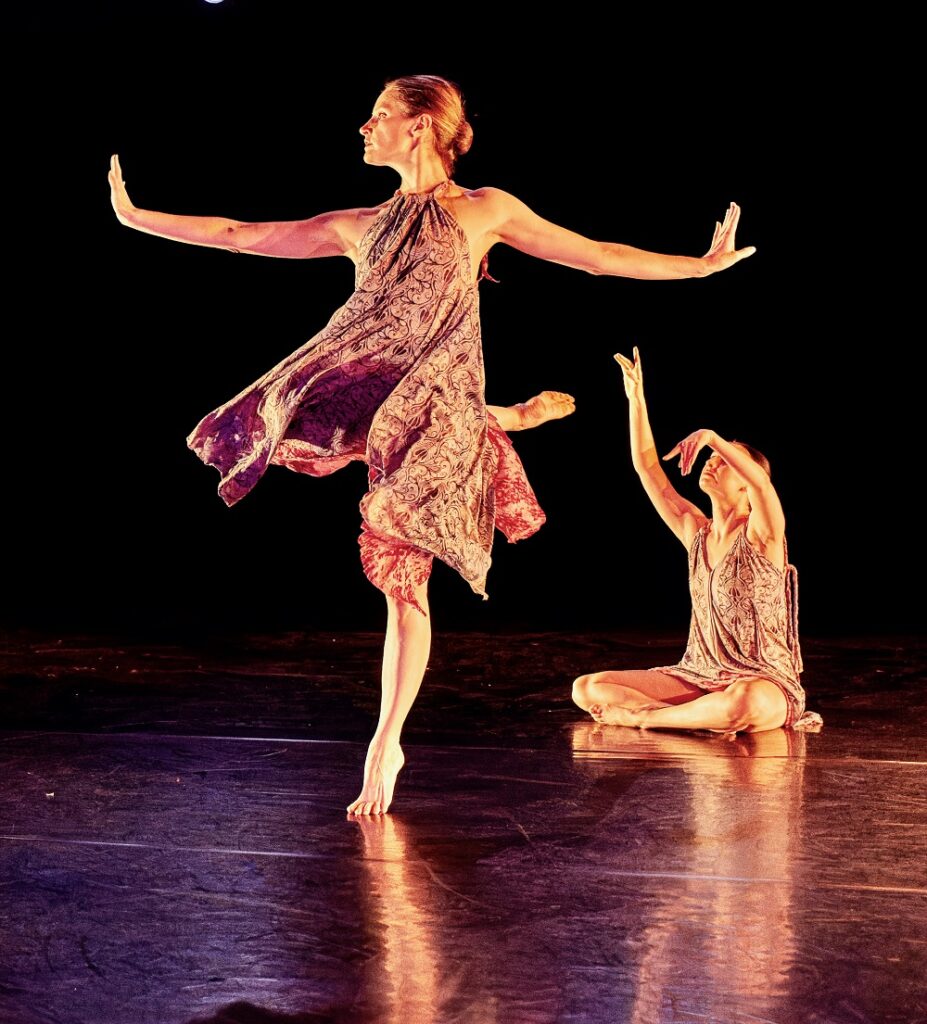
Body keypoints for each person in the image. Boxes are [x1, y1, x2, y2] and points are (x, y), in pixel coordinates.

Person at [108, 74, 756, 814]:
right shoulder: (358, 223)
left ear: (420, 128)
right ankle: (507, 419)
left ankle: (386, 741)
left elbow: (594, 255)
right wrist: (136, 217)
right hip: (370, 395)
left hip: (437, 409)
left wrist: (697, 266)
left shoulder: (484, 211)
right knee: (372, 528)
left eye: (380, 115)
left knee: (401, 567)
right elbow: (239, 234)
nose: (363, 126)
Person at [572, 347, 822, 733]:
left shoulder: (763, 534)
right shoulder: (696, 531)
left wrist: (713, 438)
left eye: (725, 461)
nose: (713, 461)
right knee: (588, 688)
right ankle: (698, 716)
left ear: (744, 485)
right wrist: (635, 399)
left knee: (746, 701)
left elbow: (761, 482)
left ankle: (651, 718)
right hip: (699, 674)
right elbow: (648, 468)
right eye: (713, 457)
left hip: (764, 681)